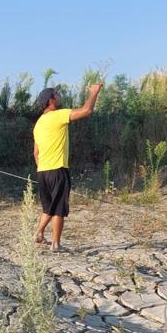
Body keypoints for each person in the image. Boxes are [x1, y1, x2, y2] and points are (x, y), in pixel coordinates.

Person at [33, 81, 102, 252]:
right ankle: (56, 244)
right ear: (50, 100)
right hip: (58, 170)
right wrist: (94, 92)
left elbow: (36, 152)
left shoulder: (38, 124)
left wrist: (43, 168)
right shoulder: (57, 115)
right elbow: (87, 111)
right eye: (56, 94)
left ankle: (39, 233)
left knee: (48, 206)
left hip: (42, 171)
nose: (59, 96)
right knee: (59, 209)